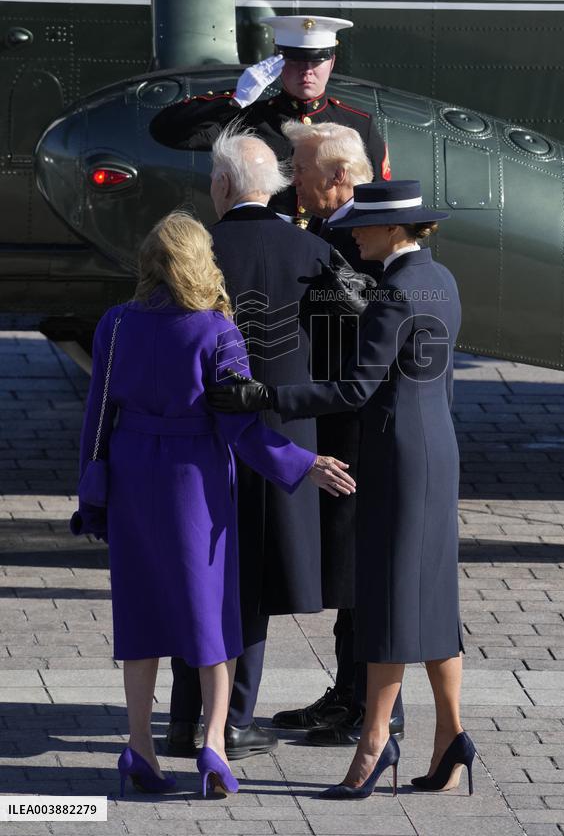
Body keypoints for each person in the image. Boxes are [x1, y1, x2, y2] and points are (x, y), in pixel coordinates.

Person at [71, 211, 355, 797]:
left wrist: (92, 488)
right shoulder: (217, 332)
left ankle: (140, 749)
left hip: (130, 475)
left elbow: (96, 415)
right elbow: (243, 428)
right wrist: (303, 464)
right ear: (202, 262)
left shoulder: (116, 325)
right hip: (193, 481)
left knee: (142, 617)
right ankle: (215, 747)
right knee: (211, 619)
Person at [207, 180, 475, 799]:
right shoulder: (443, 281)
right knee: (434, 599)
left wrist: (265, 395)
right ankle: (452, 736)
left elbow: (355, 390)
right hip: (439, 449)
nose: (354, 232)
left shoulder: (393, 294)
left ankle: (374, 744)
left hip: (398, 456)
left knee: (384, 600)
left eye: (365, 224)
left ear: (395, 230)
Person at [166, 128, 347, 762]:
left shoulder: (195, 251)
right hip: (286, 439)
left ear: (221, 185)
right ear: (272, 189)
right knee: (258, 586)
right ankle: (233, 720)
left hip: (203, 439)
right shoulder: (313, 251)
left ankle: (185, 716)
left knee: (201, 579)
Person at [270, 121, 404, 748]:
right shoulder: (330, 228)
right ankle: (350, 693)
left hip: (359, 426)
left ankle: (368, 706)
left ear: (339, 177)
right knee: (349, 562)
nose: (291, 179)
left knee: (359, 563)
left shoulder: (362, 237)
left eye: (298, 168)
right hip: (339, 418)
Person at [149, 14, 391, 214]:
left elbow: (380, 198)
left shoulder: (359, 125)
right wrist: (234, 100)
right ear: (277, 63)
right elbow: (167, 131)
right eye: (295, 62)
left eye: (316, 62)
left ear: (332, 63)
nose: (306, 72)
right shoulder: (249, 120)